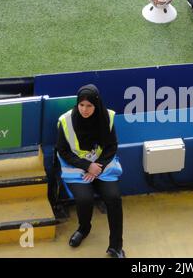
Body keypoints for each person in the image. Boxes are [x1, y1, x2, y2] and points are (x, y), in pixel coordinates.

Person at [56, 84, 125, 258]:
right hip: (77, 167)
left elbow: (111, 146)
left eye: (89, 106)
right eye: (81, 105)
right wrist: (87, 166)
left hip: (103, 166)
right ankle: (84, 229)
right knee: (84, 199)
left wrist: (97, 167)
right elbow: (62, 151)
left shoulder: (106, 117)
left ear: (97, 105)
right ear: (77, 104)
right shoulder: (65, 121)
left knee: (114, 198)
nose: (85, 110)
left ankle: (116, 246)